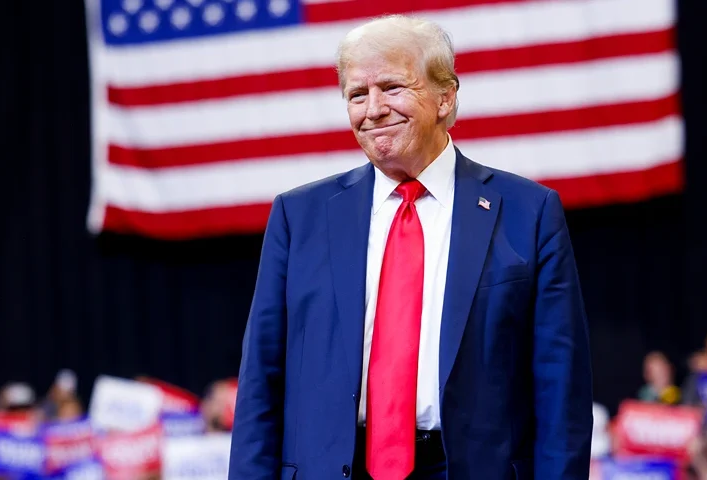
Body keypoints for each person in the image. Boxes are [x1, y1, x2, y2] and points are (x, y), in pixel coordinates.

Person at [229, 14, 593, 480]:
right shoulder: (298, 217)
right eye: (357, 95)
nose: (373, 108)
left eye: (392, 87)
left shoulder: (530, 212)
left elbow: (562, 389)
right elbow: (261, 380)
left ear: (445, 97)